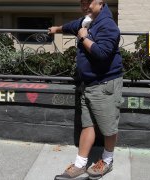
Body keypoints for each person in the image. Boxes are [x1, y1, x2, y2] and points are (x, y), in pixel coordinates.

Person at [48, 0, 123, 179]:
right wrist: (56, 29)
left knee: (108, 127)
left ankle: (107, 160)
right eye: (82, 2)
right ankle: (80, 164)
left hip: (105, 84)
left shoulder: (108, 25)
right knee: (87, 124)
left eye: (89, 2)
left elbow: (102, 53)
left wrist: (83, 37)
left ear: (101, 2)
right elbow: (73, 25)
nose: (85, 6)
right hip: (88, 84)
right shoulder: (88, 20)